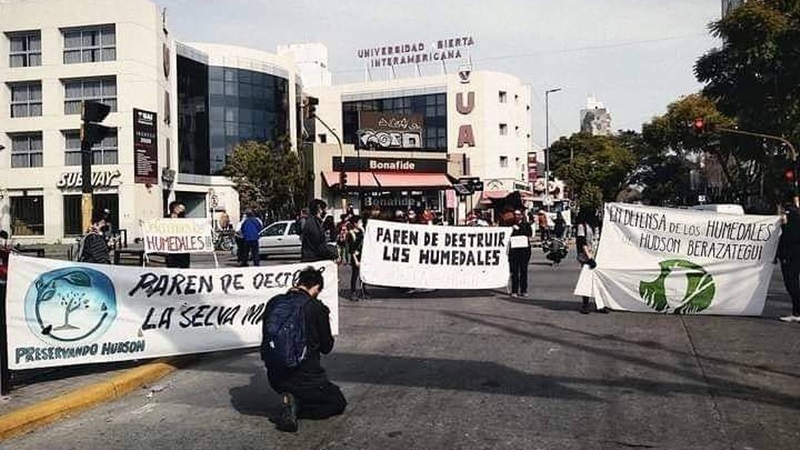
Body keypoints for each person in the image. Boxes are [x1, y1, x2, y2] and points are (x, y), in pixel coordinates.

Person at [263, 266, 347, 432]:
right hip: (307, 379)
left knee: (305, 389)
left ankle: (290, 400)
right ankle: (296, 407)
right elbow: (326, 347)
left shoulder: (274, 302)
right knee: (338, 402)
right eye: (318, 290)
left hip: (275, 377)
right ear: (315, 287)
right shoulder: (316, 307)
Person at [574, 208, 608, 314]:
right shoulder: (582, 226)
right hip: (587, 257)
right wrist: (589, 258)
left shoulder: (597, 226)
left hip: (597, 255)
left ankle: (600, 304)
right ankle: (585, 304)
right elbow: (581, 242)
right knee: (587, 281)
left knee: (599, 281)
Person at [776, 204, 800, 322]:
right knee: (792, 284)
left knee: (792, 284)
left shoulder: (791, 229)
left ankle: (797, 312)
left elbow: (786, 241)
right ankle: (796, 311)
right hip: (790, 257)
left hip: (790, 258)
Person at [508, 209, 533, 297]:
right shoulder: (510, 225)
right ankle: (514, 290)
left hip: (524, 251)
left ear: (522, 216)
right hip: (514, 252)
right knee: (514, 272)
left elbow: (529, 234)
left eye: (518, 214)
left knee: (523, 271)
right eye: (515, 214)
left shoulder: (526, 225)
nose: (516, 216)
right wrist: (512, 229)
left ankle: (523, 290)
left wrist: (519, 229)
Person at [346, 215, 369, 301]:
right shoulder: (351, 234)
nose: (361, 223)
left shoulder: (362, 232)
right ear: (355, 224)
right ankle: (353, 292)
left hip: (362, 256)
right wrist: (356, 261)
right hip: (355, 257)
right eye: (360, 222)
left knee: (362, 274)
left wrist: (363, 231)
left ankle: (363, 291)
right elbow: (351, 250)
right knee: (355, 275)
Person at [165, 201, 190, 268]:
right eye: (178, 207)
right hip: (171, 247)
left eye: (182, 209)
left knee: (184, 267)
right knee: (172, 266)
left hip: (183, 248)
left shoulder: (184, 220)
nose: (180, 210)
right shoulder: (166, 219)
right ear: (173, 208)